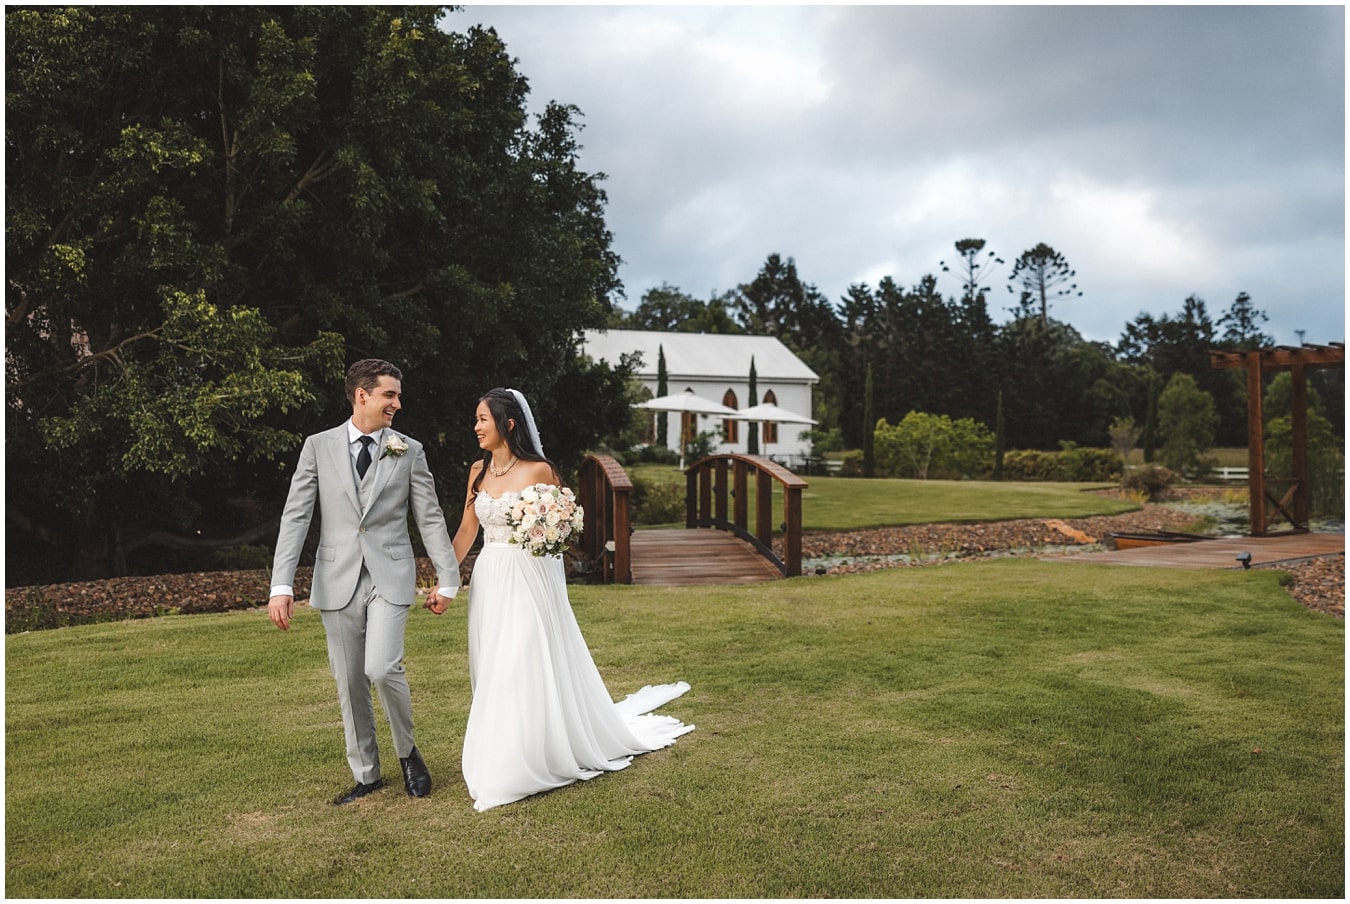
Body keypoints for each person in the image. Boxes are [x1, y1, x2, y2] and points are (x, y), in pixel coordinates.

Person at [431, 387, 693, 812]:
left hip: (530, 578)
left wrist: (544, 536)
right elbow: (466, 531)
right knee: (494, 663)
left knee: (522, 659)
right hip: (490, 577)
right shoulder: (477, 471)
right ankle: (507, 747)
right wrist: (444, 582)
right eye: (475, 419)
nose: (475, 426)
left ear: (508, 423)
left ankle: (527, 760)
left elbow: (558, 532)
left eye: (482, 418)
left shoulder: (540, 471)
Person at [268, 358, 460, 806]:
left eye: (397, 394)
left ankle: (408, 752)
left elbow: (429, 518)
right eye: (389, 394)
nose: (397, 402)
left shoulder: (408, 450)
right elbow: (296, 516)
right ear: (362, 395)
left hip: (390, 575)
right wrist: (282, 585)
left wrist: (448, 577)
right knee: (350, 678)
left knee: (381, 667)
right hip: (336, 577)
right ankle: (367, 774)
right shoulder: (317, 446)